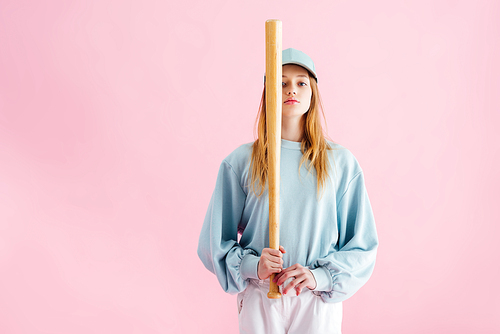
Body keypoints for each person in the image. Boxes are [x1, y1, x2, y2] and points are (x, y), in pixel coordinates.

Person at [197, 48, 378, 334]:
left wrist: (320, 277)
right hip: (261, 298)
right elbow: (213, 242)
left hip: (316, 302)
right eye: (281, 82)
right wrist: (253, 266)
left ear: (312, 92)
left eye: (300, 82)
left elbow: (363, 247)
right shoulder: (242, 161)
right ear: (268, 92)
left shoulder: (340, 163)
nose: (291, 89)